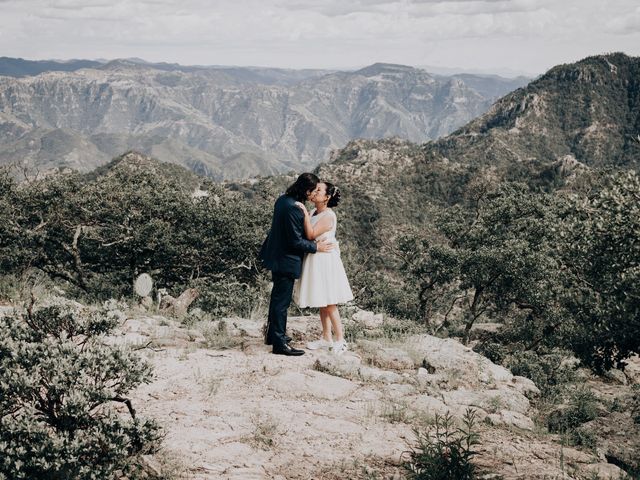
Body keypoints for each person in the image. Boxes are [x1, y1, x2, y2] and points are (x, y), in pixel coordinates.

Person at [259, 173, 334, 356]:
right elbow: (295, 241)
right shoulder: (293, 208)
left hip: (276, 256)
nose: (314, 194)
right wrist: (316, 247)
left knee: (277, 298)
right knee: (281, 303)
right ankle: (279, 344)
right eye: (313, 190)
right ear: (306, 190)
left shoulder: (283, 200)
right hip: (285, 259)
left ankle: (272, 336)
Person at [294, 181, 354, 355]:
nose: (314, 192)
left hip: (326, 260)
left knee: (329, 301)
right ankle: (326, 337)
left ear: (327, 197)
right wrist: (307, 214)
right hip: (315, 258)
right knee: (322, 300)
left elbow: (311, 234)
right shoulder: (314, 212)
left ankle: (341, 339)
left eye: (318, 190)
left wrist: (303, 213)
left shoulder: (328, 215)